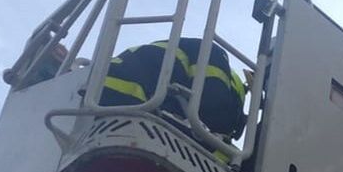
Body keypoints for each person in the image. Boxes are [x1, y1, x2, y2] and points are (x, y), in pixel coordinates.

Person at [97, 36, 250, 142]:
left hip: (101, 96)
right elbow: (213, 107)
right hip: (129, 102)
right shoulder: (213, 56)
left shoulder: (185, 53)